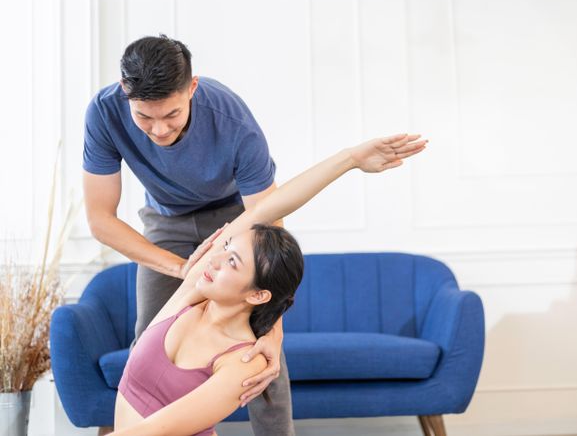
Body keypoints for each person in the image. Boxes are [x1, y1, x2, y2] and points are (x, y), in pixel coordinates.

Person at [109, 134, 427, 436]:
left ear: (258, 294)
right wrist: (350, 158)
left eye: (233, 261)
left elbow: (155, 430)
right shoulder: (193, 294)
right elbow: (269, 207)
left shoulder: (244, 362)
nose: (215, 260)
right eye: (226, 248)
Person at [83, 35, 290, 435]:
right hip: (166, 222)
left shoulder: (233, 120)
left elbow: (271, 236)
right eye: (144, 117)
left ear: (192, 87)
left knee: (262, 357)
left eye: (172, 114)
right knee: (150, 338)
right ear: (126, 94)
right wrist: (185, 270)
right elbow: (100, 220)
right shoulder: (104, 113)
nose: (159, 129)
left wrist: (273, 333)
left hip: (237, 218)